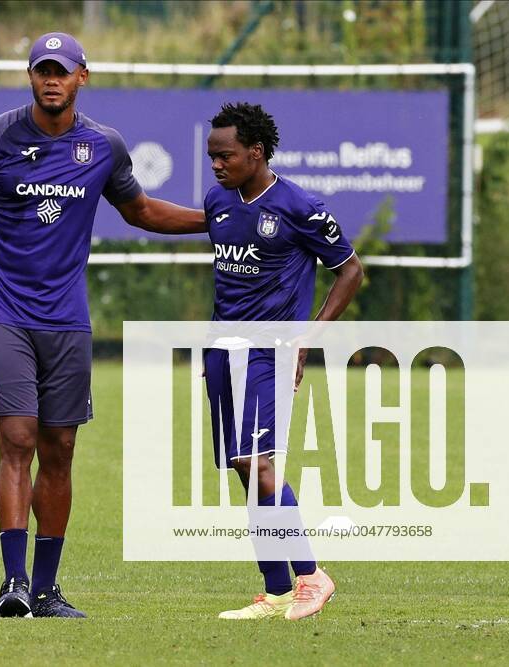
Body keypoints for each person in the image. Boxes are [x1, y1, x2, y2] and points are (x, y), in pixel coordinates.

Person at [0, 32, 206, 619]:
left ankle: (48, 591)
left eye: (62, 70)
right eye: (41, 70)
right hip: (4, 315)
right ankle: (14, 583)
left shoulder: (103, 145)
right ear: (29, 78)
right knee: (18, 439)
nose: (51, 79)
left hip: (68, 321)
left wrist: (217, 219)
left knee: (61, 448)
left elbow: (143, 210)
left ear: (83, 76)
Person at [202, 102, 364, 620]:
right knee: (245, 471)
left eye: (225, 156)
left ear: (256, 152)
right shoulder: (218, 202)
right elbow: (227, 285)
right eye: (212, 156)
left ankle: (312, 576)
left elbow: (351, 272)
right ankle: (275, 592)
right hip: (224, 354)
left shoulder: (299, 206)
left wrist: (306, 340)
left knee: (260, 464)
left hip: (270, 354)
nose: (216, 166)